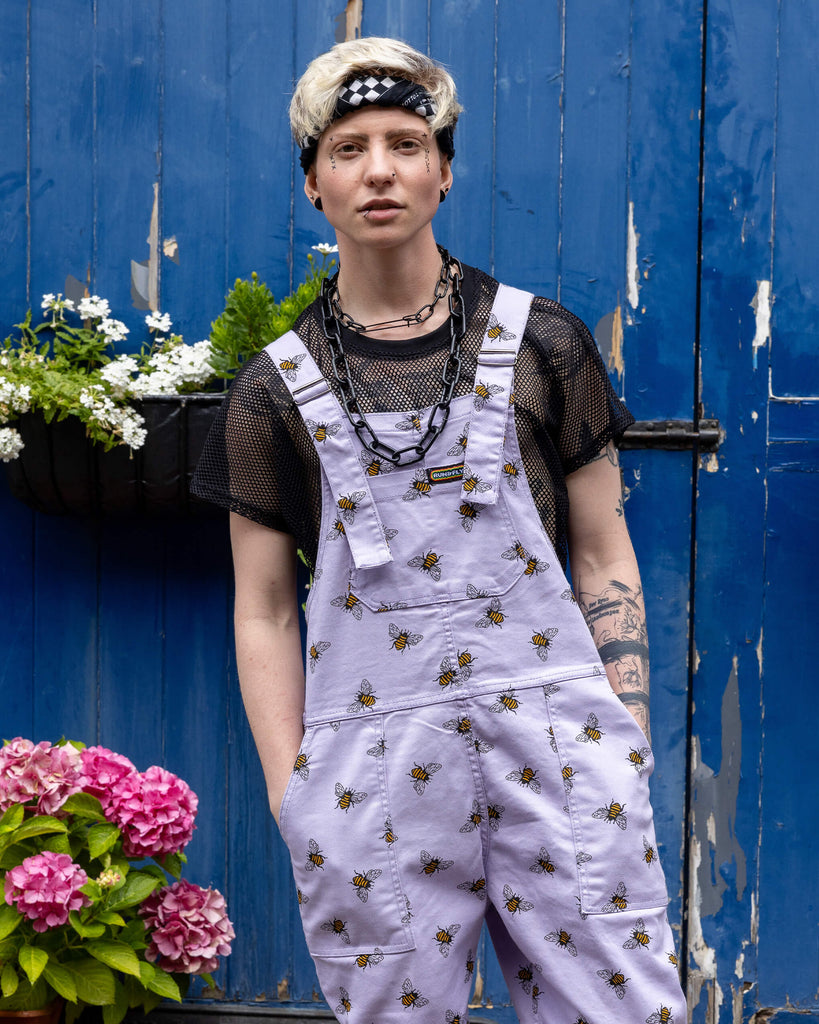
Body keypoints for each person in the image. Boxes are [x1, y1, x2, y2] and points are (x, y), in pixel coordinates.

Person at [192, 35, 686, 1024]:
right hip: (371, 777)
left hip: (558, 748)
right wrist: (300, 798)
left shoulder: (543, 341)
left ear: (445, 171)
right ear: (313, 186)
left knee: (620, 1008)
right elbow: (263, 610)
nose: (380, 168)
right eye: (349, 148)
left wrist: (624, 733)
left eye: (405, 143)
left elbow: (600, 551)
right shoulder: (272, 392)